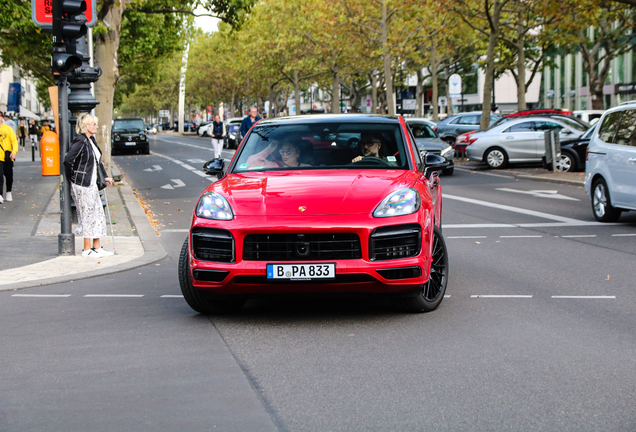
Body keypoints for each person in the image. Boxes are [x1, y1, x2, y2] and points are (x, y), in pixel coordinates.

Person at [63, 113, 115, 257]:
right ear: (85, 127)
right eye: (93, 124)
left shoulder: (90, 140)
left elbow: (98, 161)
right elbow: (68, 160)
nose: (96, 126)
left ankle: (96, 247)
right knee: (87, 214)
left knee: (97, 213)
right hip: (83, 185)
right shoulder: (80, 141)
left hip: (91, 184)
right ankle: (86, 249)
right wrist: (72, 177)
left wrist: (105, 176)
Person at [246, 138, 311, 168]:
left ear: (297, 153)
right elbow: (250, 163)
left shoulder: (307, 168)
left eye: (288, 151)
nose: (284, 154)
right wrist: (268, 150)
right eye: (282, 151)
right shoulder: (275, 166)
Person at [0, 113, 18, 203]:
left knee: (9, 175)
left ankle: (8, 192)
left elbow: (14, 141)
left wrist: (14, 152)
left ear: (2, 118)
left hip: (7, 156)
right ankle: (0, 194)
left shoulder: (8, 129)